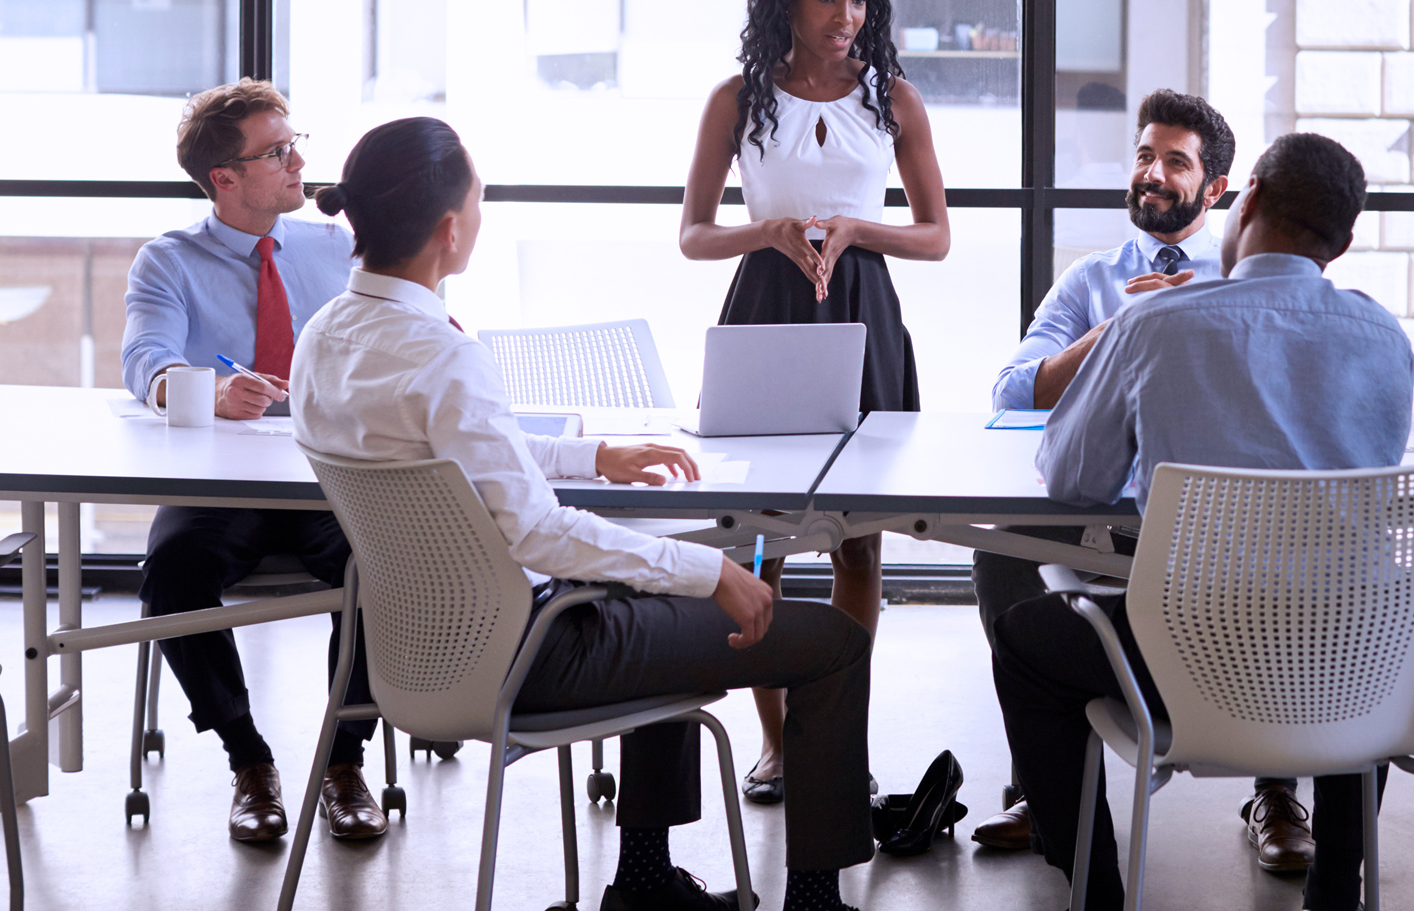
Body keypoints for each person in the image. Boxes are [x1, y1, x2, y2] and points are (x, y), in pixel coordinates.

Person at [295, 117, 874, 911]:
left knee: (653, 591)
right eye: (480, 204)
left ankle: (645, 882)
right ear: (449, 228)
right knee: (831, 641)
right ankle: (813, 901)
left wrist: (590, 457)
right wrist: (715, 573)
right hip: (530, 655)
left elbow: (449, 463)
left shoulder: (325, 336)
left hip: (416, 656)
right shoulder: (440, 352)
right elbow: (538, 532)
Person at [992, 132, 1414, 911]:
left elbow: (1071, 480)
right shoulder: (1386, 337)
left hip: (1187, 654)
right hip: (1349, 672)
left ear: (1244, 196)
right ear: (1344, 242)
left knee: (1025, 641)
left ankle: (1097, 893)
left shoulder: (1155, 325)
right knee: (1357, 613)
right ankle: (1335, 891)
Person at [973, 90, 1313, 874]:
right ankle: (1044, 778)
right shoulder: (1091, 279)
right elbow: (1015, 391)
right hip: (1106, 514)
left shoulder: (1245, 279)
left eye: (1175, 162)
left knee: (1278, 568)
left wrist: (1191, 319)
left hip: (1228, 528)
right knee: (998, 555)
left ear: (1217, 189)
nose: (1152, 174)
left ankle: (1277, 791)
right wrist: (1118, 332)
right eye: (1144, 156)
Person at [679, 0, 949, 805]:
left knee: (859, 543)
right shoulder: (736, 98)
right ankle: (779, 741)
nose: (845, 16)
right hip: (767, 307)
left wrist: (856, 227)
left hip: (864, 310)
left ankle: (840, 740)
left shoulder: (894, 99)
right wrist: (770, 230)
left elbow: (937, 236)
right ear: (788, 1)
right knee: (760, 542)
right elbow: (691, 235)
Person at [119, 79, 386, 843]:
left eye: (296, 142)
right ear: (225, 180)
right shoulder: (168, 262)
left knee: (388, 560)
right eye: (278, 152)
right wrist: (204, 388)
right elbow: (147, 360)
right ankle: (249, 761)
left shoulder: (334, 246)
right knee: (172, 571)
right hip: (221, 484)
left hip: (327, 475)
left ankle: (344, 762)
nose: (299, 160)